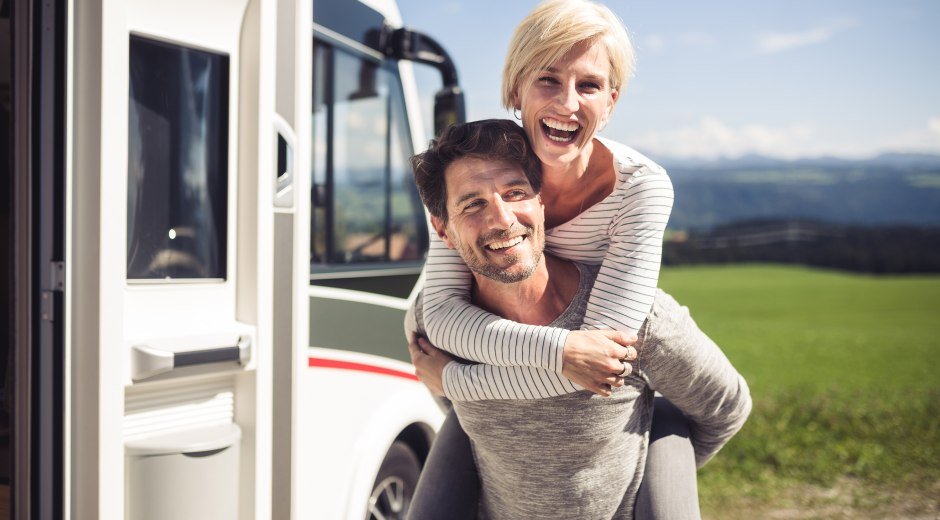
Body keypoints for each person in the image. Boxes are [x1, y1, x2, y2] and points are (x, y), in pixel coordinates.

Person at [409, 0, 710, 518]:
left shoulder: (641, 188)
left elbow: (595, 360)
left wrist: (455, 382)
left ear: (611, 101)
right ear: (514, 90)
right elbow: (438, 316)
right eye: (548, 79)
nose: (567, 102)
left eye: (589, 85)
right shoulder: (482, 176)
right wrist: (556, 352)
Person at [405, 119, 751, 519]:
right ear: (442, 230)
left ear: (541, 203)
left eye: (515, 193)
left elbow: (726, 407)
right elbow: (452, 405)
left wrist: (667, 480)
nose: (501, 219)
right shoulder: (433, 324)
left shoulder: (637, 319)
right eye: (473, 203)